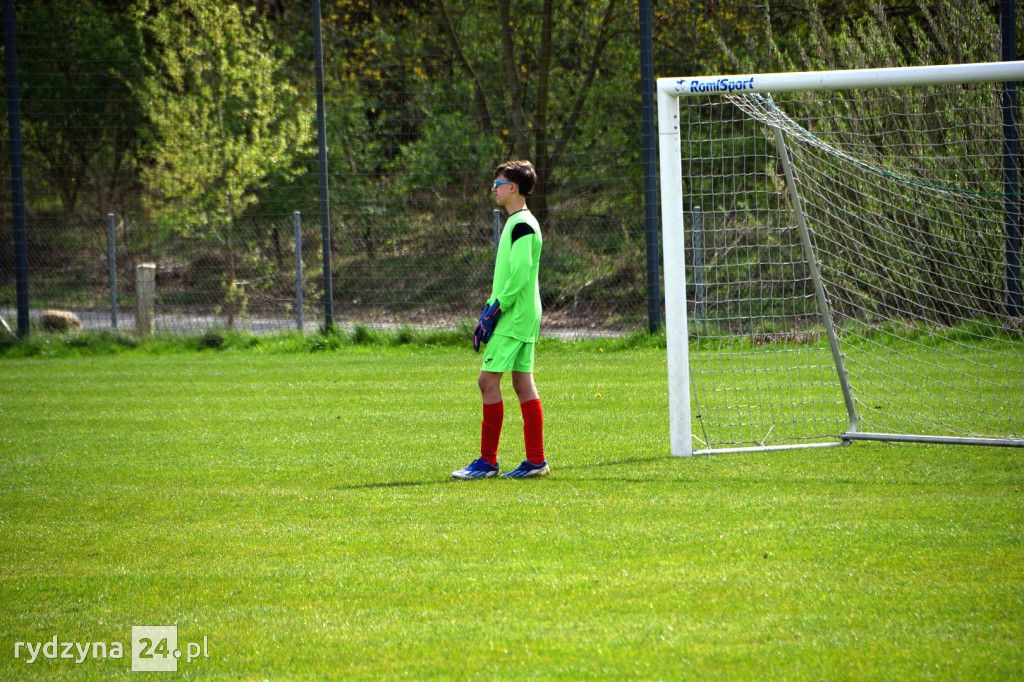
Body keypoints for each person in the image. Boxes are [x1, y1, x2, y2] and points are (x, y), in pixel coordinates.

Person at [452, 160, 549, 479]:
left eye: (498, 184)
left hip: (514, 315)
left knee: (487, 381)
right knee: (522, 382)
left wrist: (495, 311)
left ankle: (487, 462)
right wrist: (490, 308)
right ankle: (536, 461)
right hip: (522, 313)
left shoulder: (522, 224)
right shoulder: (520, 222)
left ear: (513, 188)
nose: (493, 189)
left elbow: (519, 275)